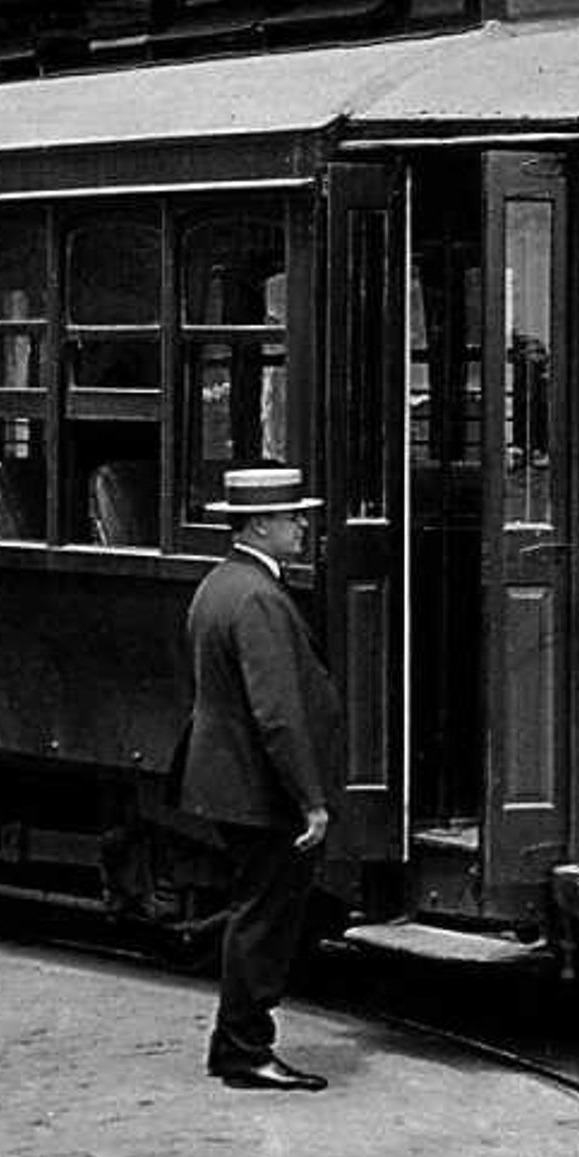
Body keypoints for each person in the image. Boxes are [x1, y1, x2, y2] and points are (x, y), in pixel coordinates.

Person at [176, 461, 345, 1093]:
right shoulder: (258, 599)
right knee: (263, 918)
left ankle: (235, 1044)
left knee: (256, 911)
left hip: (229, 779)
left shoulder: (220, 586)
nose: (302, 528)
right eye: (291, 518)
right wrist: (312, 800)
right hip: (259, 788)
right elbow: (277, 714)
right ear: (259, 524)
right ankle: (246, 1048)